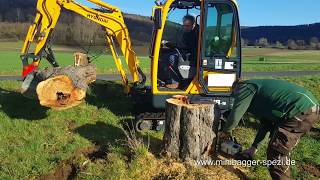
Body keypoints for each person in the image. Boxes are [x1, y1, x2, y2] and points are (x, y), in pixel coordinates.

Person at [219, 79, 319, 180]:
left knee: (277, 152)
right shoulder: (261, 95)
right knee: (278, 150)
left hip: (300, 108)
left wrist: (226, 131)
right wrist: (254, 148)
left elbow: (236, 112)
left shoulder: (245, 86)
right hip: (310, 109)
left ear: (235, 88)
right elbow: (266, 125)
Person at [165, 15, 199, 89]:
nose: (185, 27)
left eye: (187, 26)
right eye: (184, 25)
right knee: (166, 54)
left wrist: (173, 45)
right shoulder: (187, 32)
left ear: (194, 24)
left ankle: (176, 82)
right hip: (187, 52)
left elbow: (187, 45)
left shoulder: (197, 33)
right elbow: (182, 43)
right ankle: (168, 79)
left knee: (172, 58)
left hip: (194, 56)